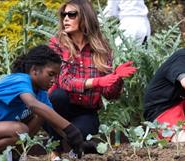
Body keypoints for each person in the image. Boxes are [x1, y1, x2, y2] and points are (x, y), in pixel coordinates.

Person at [45, 0, 136, 156]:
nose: (66, 18)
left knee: (84, 135)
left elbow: (110, 94)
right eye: (64, 15)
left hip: (86, 110)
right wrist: (97, 81)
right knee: (57, 96)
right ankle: (55, 152)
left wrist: (117, 77)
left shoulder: (101, 49)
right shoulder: (57, 44)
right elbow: (64, 81)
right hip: (59, 107)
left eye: (71, 14)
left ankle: (76, 147)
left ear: (85, 17)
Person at [0, 45, 84, 161]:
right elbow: (33, 104)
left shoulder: (40, 93)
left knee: (42, 116)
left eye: (56, 76)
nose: (53, 80)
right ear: (34, 70)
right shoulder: (20, 79)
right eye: (51, 74)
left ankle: (10, 155)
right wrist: (70, 129)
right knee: (20, 129)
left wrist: (77, 141)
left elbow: (54, 123)